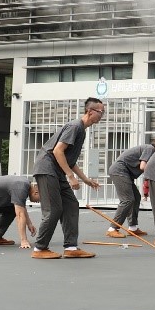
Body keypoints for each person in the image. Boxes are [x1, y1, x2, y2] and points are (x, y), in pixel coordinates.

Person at [31, 97, 105, 260]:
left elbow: (69, 160)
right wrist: (71, 177)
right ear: (90, 111)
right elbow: (58, 151)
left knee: (71, 204)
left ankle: (71, 247)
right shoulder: (75, 126)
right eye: (101, 112)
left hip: (57, 171)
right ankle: (39, 248)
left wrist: (85, 179)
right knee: (53, 210)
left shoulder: (82, 131)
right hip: (47, 168)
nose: (103, 115)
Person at [106, 134, 155, 238]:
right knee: (127, 200)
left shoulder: (153, 153)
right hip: (120, 171)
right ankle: (113, 228)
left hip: (126, 173)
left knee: (136, 198)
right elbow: (143, 166)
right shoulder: (150, 149)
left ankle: (133, 227)